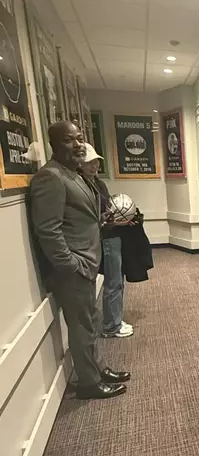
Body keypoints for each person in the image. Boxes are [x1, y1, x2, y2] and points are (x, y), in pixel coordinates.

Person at [29, 121, 130, 400]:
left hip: (87, 262)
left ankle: (97, 369)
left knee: (91, 320)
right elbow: (48, 230)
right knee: (82, 326)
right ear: (53, 144)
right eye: (68, 140)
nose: (77, 145)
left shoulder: (74, 173)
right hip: (73, 269)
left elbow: (80, 217)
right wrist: (71, 265)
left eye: (79, 138)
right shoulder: (50, 177)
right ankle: (89, 383)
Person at [80, 143, 134, 338]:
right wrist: (106, 219)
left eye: (96, 161)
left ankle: (115, 320)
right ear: (80, 164)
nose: (94, 166)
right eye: (89, 162)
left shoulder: (97, 183)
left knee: (118, 280)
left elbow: (107, 207)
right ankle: (111, 325)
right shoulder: (83, 186)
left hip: (112, 235)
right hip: (105, 238)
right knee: (113, 282)